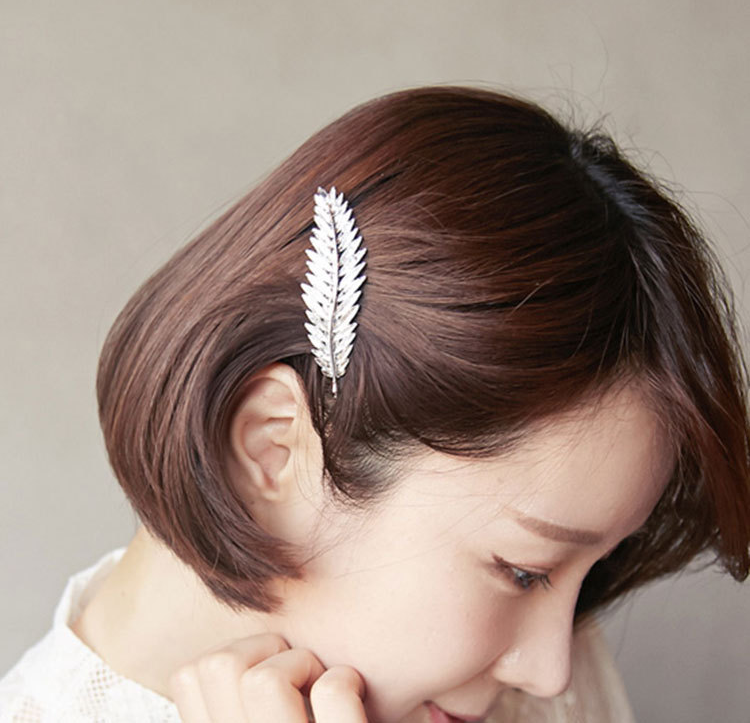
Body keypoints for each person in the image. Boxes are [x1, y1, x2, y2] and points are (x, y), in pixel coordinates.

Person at [1, 86, 748, 723]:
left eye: (593, 569)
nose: (550, 667)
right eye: (524, 572)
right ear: (271, 446)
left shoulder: (546, 685)